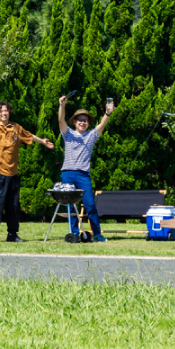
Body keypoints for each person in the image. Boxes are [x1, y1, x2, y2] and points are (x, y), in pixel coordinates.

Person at [0, 93, 54, 242]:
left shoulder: (16, 128)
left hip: (12, 173)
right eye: (1, 111)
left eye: (6, 110)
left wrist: (43, 141)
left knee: (13, 205)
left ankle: (12, 234)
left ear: (9, 112)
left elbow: (29, 136)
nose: (4, 113)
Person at [57, 94, 114, 242]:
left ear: (88, 123)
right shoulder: (68, 134)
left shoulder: (91, 136)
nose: (83, 122)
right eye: (80, 120)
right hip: (67, 174)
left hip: (83, 175)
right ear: (75, 122)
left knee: (90, 205)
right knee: (70, 206)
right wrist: (62, 105)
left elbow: (102, 125)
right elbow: (60, 120)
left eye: (86, 120)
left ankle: (97, 234)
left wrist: (107, 113)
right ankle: (74, 233)